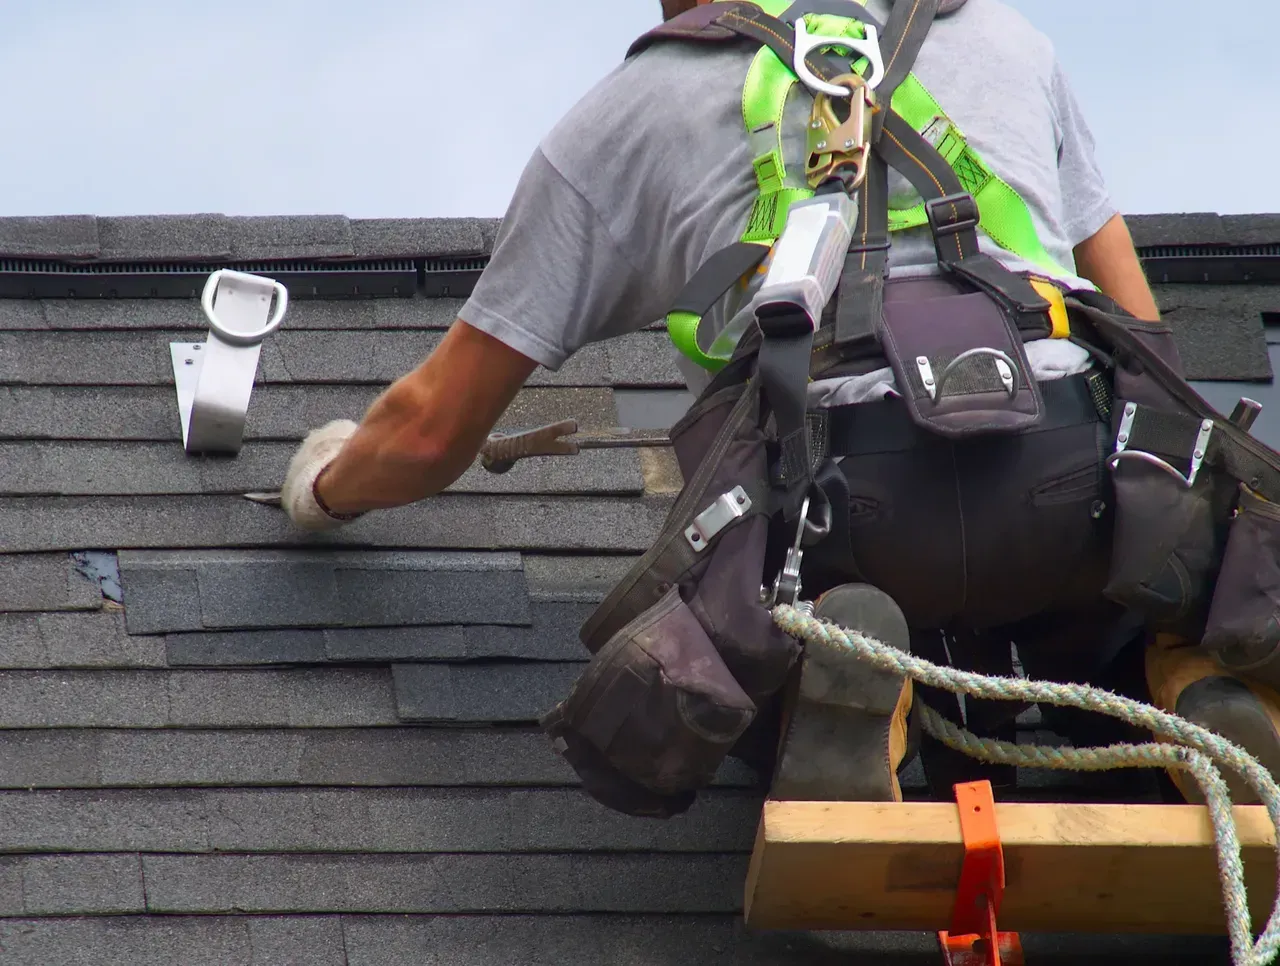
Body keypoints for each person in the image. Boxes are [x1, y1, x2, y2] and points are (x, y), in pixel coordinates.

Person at [279, 0, 1280, 808]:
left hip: (838, 510)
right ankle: (1184, 679)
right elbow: (1148, 352)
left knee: (752, 629)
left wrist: (324, 489)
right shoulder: (1002, 37)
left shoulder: (631, 112)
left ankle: (844, 691)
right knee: (1117, 594)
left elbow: (428, 429)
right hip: (1068, 489)